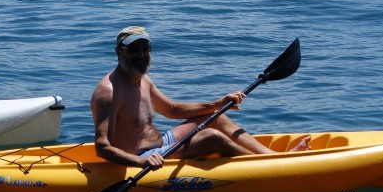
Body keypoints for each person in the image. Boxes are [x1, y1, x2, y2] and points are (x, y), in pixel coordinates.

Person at [91, 26, 309, 169]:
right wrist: (141, 161)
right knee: (212, 137)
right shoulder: (108, 93)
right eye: (133, 50)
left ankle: (273, 157)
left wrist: (217, 103)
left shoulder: (142, 79)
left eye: (145, 49)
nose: (140, 55)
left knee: (216, 116)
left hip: (162, 143)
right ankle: (269, 168)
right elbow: (102, 147)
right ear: (119, 51)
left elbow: (173, 110)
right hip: (142, 157)